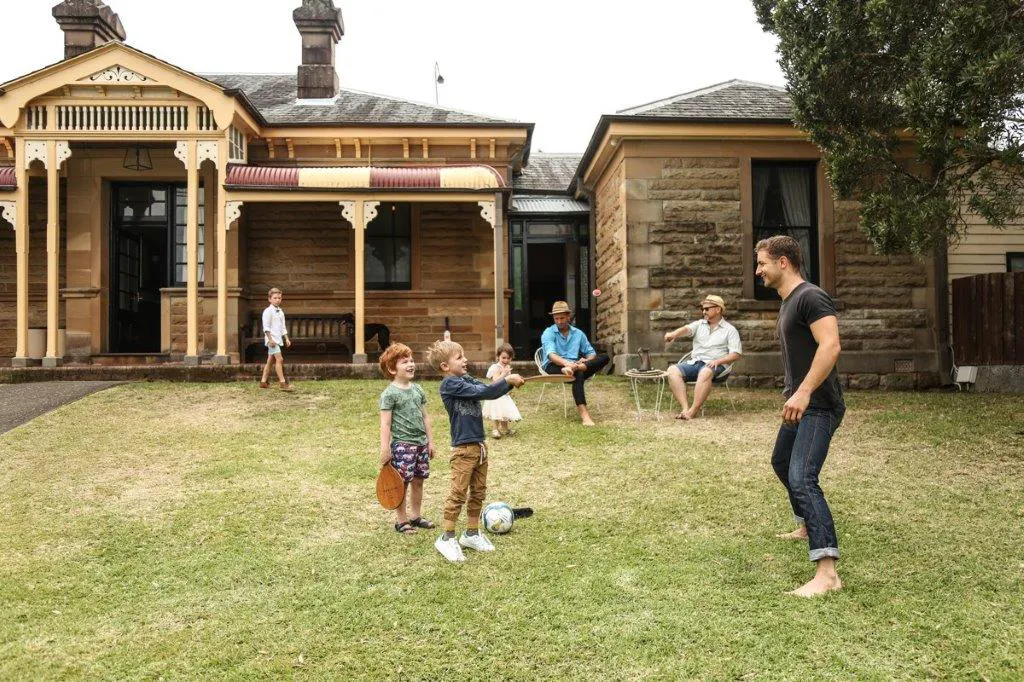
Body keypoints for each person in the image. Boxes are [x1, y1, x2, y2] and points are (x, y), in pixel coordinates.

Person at [755, 234, 846, 597]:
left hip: (819, 404)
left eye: (762, 263)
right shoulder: (789, 302)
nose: (758, 270)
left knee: (802, 478)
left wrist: (805, 391)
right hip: (801, 404)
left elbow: (831, 345)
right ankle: (808, 524)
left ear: (783, 262)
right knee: (781, 462)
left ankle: (827, 573)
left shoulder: (811, 296)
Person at [426, 338, 524, 562]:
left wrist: (507, 382)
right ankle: (446, 538)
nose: (465, 360)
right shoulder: (450, 384)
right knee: (458, 494)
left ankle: (471, 534)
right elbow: (486, 392)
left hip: (479, 446)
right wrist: (507, 380)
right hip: (463, 449)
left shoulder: (466, 379)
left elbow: (487, 389)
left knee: (478, 492)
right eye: (459, 357)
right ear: (445, 366)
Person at [378, 343, 436, 535]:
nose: (411, 364)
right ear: (392, 369)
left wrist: (430, 441)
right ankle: (401, 521)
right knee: (401, 483)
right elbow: (385, 424)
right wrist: (385, 448)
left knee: (419, 481)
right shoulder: (389, 394)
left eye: (411, 360)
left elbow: (425, 417)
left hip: (421, 444)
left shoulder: (418, 389)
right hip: (402, 446)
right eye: (405, 362)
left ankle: (415, 516)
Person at [663, 294, 743, 420]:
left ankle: (692, 411)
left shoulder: (730, 330)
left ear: (718, 309)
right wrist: (673, 334)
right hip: (696, 363)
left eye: (707, 309)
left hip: (718, 366)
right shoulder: (699, 324)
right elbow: (686, 329)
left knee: (705, 372)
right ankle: (685, 408)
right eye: (702, 309)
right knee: (672, 370)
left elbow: (736, 354)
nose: (703, 311)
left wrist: (718, 361)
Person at [541, 301, 610, 426]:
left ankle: (578, 368)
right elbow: (551, 355)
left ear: (568, 316)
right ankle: (584, 415)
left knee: (605, 357)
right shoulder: (549, 332)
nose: (559, 321)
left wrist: (586, 361)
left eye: (562, 318)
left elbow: (591, 353)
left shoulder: (578, 333)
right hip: (553, 365)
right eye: (556, 318)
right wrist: (567, 364)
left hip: (576, 365)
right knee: (577, 374)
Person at [482, 343, 522, 439]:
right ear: (498, 356)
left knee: (504, 412)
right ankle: (495, 429)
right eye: (503, 358)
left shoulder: (507, 368)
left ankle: (505, 428)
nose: (506, 360)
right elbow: (495, 381)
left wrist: (510, 388)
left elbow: (509, 381)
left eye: (508, 358)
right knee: (496, 412)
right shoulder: (496, 367)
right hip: (496, 394)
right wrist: (504, 373)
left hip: (504, 394)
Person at [260, 287, 293, 391]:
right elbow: (266, 328)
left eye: (279, 298)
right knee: (280, 359)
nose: (277, 300)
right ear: (269, 299)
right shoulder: (267, 311)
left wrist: (286, 338)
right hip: (272, 341)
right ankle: (283, 383)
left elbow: (283, 327)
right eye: (275, 298)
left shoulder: (280, 311)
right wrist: (270, 340)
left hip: (278, 340)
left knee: (270, 361)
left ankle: (263, 382)